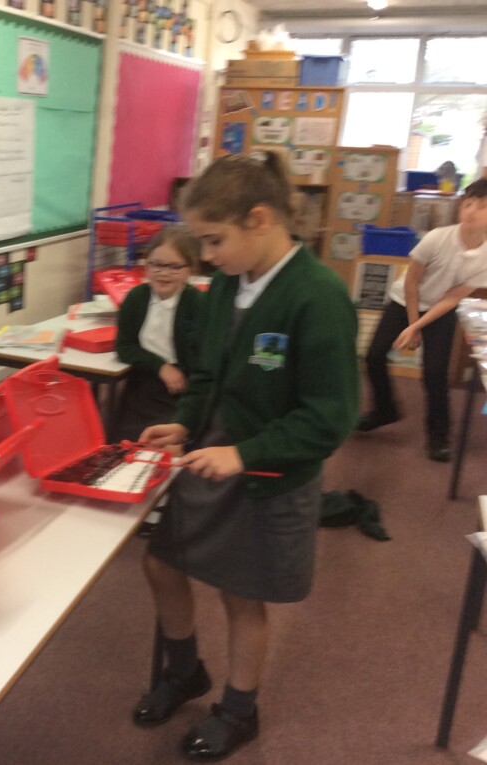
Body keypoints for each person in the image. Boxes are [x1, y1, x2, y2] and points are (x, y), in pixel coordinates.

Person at [134, 152, 358, 761]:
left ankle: (239, 709)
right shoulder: (228, 284)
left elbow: (330, 418)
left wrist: (244, 453)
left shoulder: (318, 296)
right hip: (213, 456)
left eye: (214, 240)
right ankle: (185, 672)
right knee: (161, 565)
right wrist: (185, 423)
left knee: (240, 595)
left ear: (259, 219)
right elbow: (208, 373)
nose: (207, 256)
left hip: (266, 474)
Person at [358, 178, 487, 462]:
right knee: (374, 355)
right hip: (404, 300)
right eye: (467, 204)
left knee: (435, 373)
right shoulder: (437, 238)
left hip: (441, 310)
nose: (471, 211)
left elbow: (453, 297)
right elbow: (411, 282)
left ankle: (439, 437)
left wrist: (417, 326)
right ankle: (385, 410)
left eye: (481, 206)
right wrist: (411, 322)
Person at [111, 225, 204, 444]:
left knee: (164, 446)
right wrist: (161, 367)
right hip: (142, 384)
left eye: (174, 267)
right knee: (125, 443)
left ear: (190, 270)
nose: (163, 273)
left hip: (182, 390)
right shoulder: (137, 297)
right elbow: (124, 347)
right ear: (146, 266)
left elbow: (202, 361)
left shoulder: (197, 303)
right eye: (156, 264)